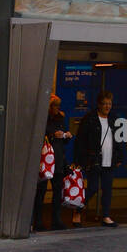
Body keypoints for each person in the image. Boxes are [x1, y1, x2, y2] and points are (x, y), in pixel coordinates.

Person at [73, 91, 124, 226]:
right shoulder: (89, 119)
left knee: (107, 189)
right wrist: (78, 160)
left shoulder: (114, 118)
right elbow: (80, 140)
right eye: (105, 104)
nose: (107, 107)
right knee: (93, 187)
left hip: (110, 159)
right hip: (93, 159)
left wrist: (119, 157)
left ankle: (106, 216)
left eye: (109, 104)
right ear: (99, 105)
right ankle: (78, 210)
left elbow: (119, 140)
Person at [32, 95, 71, 231]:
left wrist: (66, 135)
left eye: (58, 106)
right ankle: (37, 220)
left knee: (57, 191)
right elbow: (40, 134)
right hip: (45, 159)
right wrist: (54, 135)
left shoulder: (60, 118)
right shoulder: (42, 119)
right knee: (41, 191)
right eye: (55, 106)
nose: (57, 109)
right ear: (48, 107)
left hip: (58, 158)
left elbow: (64, 138)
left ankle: (56, 220)